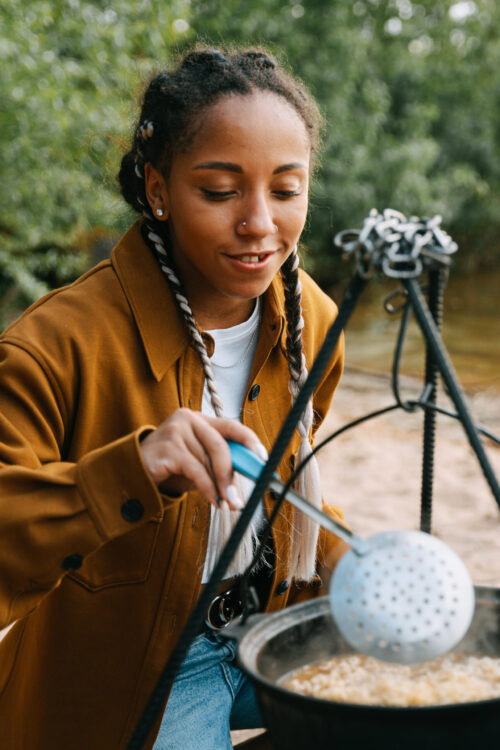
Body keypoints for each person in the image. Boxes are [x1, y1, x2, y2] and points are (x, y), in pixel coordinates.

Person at [0, 47, 347, 749]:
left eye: (286, 190)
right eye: (220, 192)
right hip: (140, 670)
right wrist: (134, 470)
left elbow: (275, 494)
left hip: (265, 622)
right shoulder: (54, 345)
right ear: (158, 190)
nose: (259, 223)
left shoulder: (312, 319)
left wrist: (357, 564)